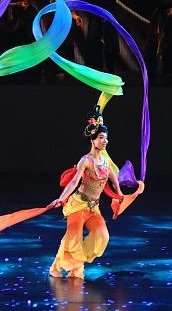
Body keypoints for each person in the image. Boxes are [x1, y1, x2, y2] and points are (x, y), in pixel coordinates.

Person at [48, 105, 124, 279]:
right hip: (78, 205)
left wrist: (120, 196)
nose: (105, 141)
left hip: (93, 208)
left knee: (101, 236)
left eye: (106, 138)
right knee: (72, 239)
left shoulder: (105, 162)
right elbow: (74, 181)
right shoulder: (86, 160)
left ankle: (76, 265)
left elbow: (114, 181)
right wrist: (61, 198)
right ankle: (55, 268)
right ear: (93, 140)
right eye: (101, 138)